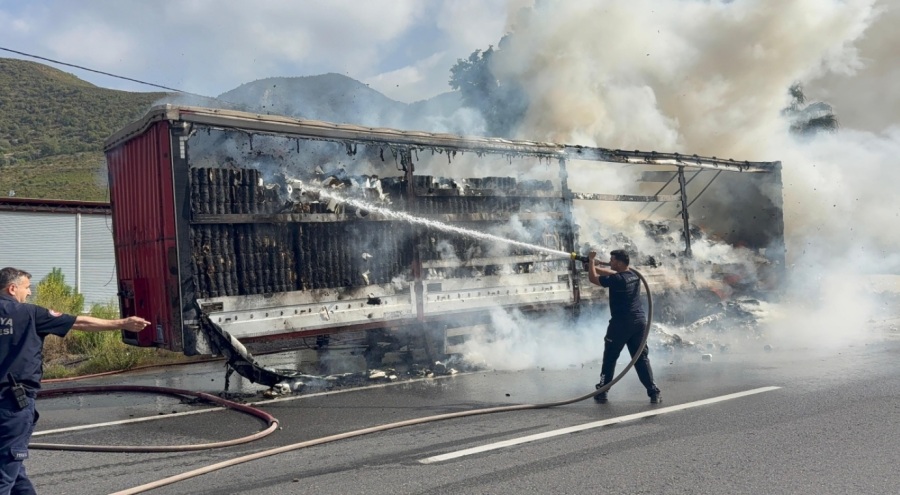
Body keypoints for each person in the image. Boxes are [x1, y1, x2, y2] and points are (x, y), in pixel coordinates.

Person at [0, 267, 150, 494]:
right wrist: (122, 323)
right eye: (27, 288)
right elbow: (79, 323)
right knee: (6, 471)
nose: (29, 293)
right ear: (12, 289)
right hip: (12, 404)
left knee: (12, 465)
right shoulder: (29, 313)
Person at [587, 249, 662, 404]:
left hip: (621, 324)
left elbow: (594, 279)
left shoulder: (618, 280)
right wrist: (592, 264)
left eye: (612, 260)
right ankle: (653, 391)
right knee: (641, 358)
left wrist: (591, 263)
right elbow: (610, 272)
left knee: (610, 357)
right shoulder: (633, 276)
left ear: (620, 263)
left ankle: (602, 390)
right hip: (639, 323)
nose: (610, 262)